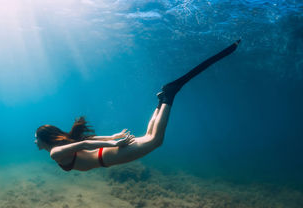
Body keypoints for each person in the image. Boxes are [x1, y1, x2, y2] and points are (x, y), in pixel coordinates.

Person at [35, 40, 241, 171]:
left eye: (36, 138)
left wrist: (114, 143)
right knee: (150, 135)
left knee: (155, 140)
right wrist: (113, 137)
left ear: (45, 139)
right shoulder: (61, 145)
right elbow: (87, 142)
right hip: (106, 154)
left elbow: (83, 145)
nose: (35, 141)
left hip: (108, 156)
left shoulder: (55, 153)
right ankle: (163, 99)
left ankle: (169, 95)